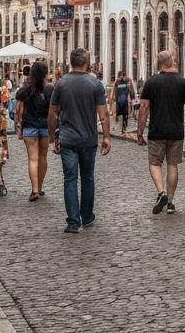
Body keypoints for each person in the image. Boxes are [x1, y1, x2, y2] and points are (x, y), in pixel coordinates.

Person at [48, 48, 111, 234]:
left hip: (67, 139)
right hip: (88, 139)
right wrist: (106, 136)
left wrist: (52, 136)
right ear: (87, 63)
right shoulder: (95, 84)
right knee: (87, 178)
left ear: (70, 62)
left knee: (70, 179)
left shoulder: (61, 84)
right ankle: (87, 215)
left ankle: (73, 222)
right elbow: (104, 115)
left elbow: (53, 113)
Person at [137, 51, 185, 215]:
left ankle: (161, 192)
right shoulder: (182, 83)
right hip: (176, 131)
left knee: (155, 163)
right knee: (173, 164)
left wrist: (140, 130)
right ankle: (170, 201)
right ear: (172, 62)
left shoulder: (151, 82)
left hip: (157, 130)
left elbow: (143, 108)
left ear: (159, 64)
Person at [16, 60, 53, 201]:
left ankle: (34, 189)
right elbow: (53, 110)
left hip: (29, 127)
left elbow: (18, 109)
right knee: (43, 158)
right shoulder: (49, 89)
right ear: (45, 74)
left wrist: (19, 125)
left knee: (33, 159)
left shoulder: (25, 90)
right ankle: (41, 186)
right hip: (44, 127)